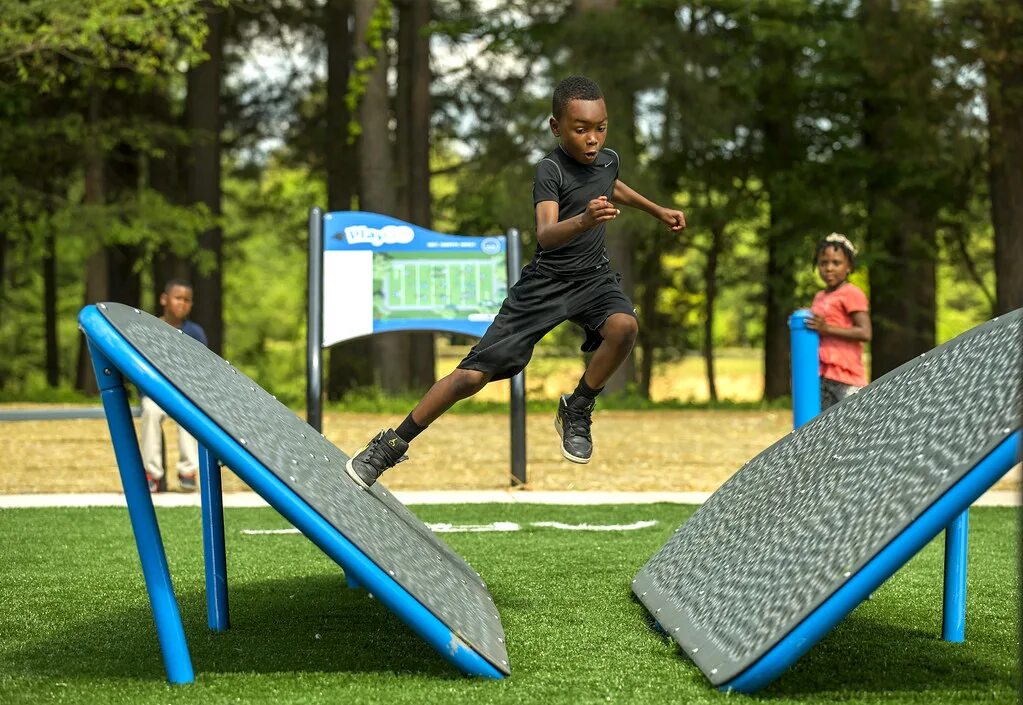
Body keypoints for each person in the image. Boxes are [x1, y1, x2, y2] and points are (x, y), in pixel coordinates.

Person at [344, 75, 686, 489]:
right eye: (581, 130)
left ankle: (577, 408)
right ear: (556, 127)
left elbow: (612, 186)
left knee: (625, 326)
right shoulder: (549, 170)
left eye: (601, 128)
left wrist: (657, 209)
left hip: (593, 279)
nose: (593, 139)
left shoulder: (608, 160)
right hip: (543, 287)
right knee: (470, 377)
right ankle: (388, 446)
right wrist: (583, 220)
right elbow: (545, 233)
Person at [140, 279, 208, 492]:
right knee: (150, 412)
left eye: (187, 300)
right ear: (164, 299)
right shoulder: (149, 328)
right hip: (155, 393)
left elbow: (203, 368)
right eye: (178, 298)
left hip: (185, 393)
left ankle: (187, 471)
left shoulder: (195, 333)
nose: (182, 304)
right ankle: (153, 473)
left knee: (188, 414)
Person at [805, 233, 872, 410]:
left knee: (851, 427)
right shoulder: (819, 296)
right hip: (821, 375)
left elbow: (865, 332)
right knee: (821, 428)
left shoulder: (851, 293)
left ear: (848, 266)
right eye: (823, 263)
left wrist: (826, 328)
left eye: (836, 263)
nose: (829, 268)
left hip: (846, 377)